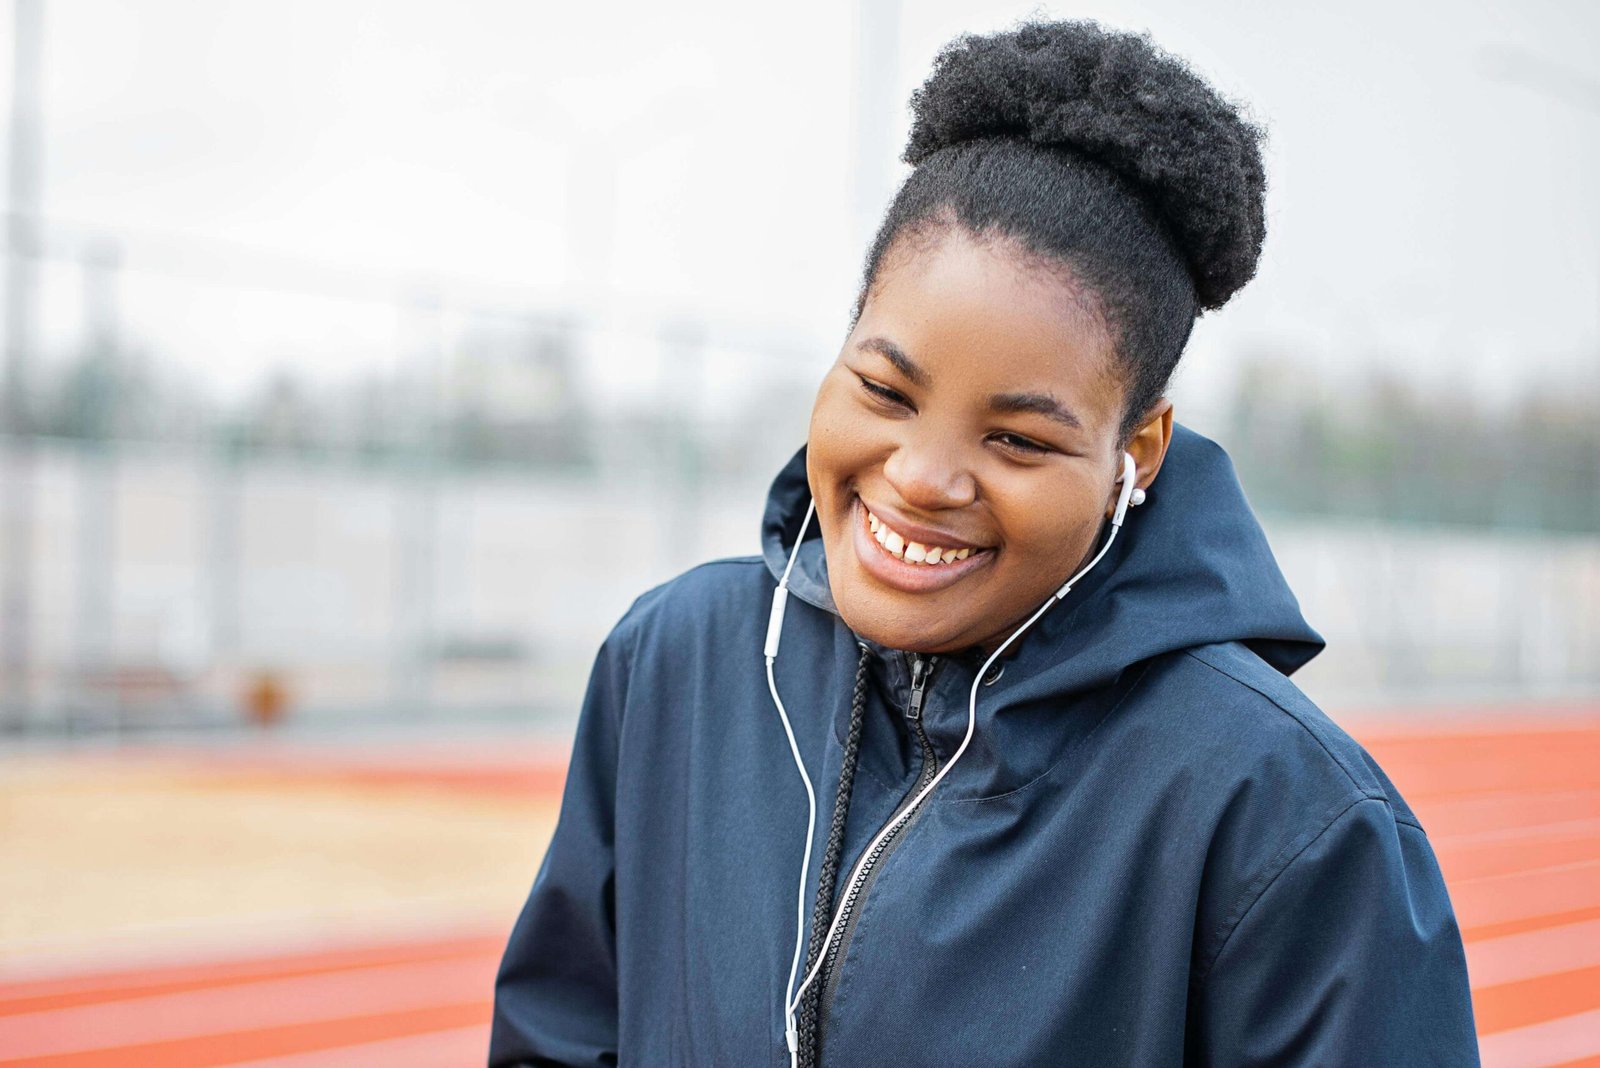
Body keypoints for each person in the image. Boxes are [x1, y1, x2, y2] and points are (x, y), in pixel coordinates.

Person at [490, 18, 1480, 1067]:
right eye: (883, 389)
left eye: (1014, 437)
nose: (920, 478)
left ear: (1134, 449)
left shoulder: (1284, 812)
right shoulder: (675, 658)